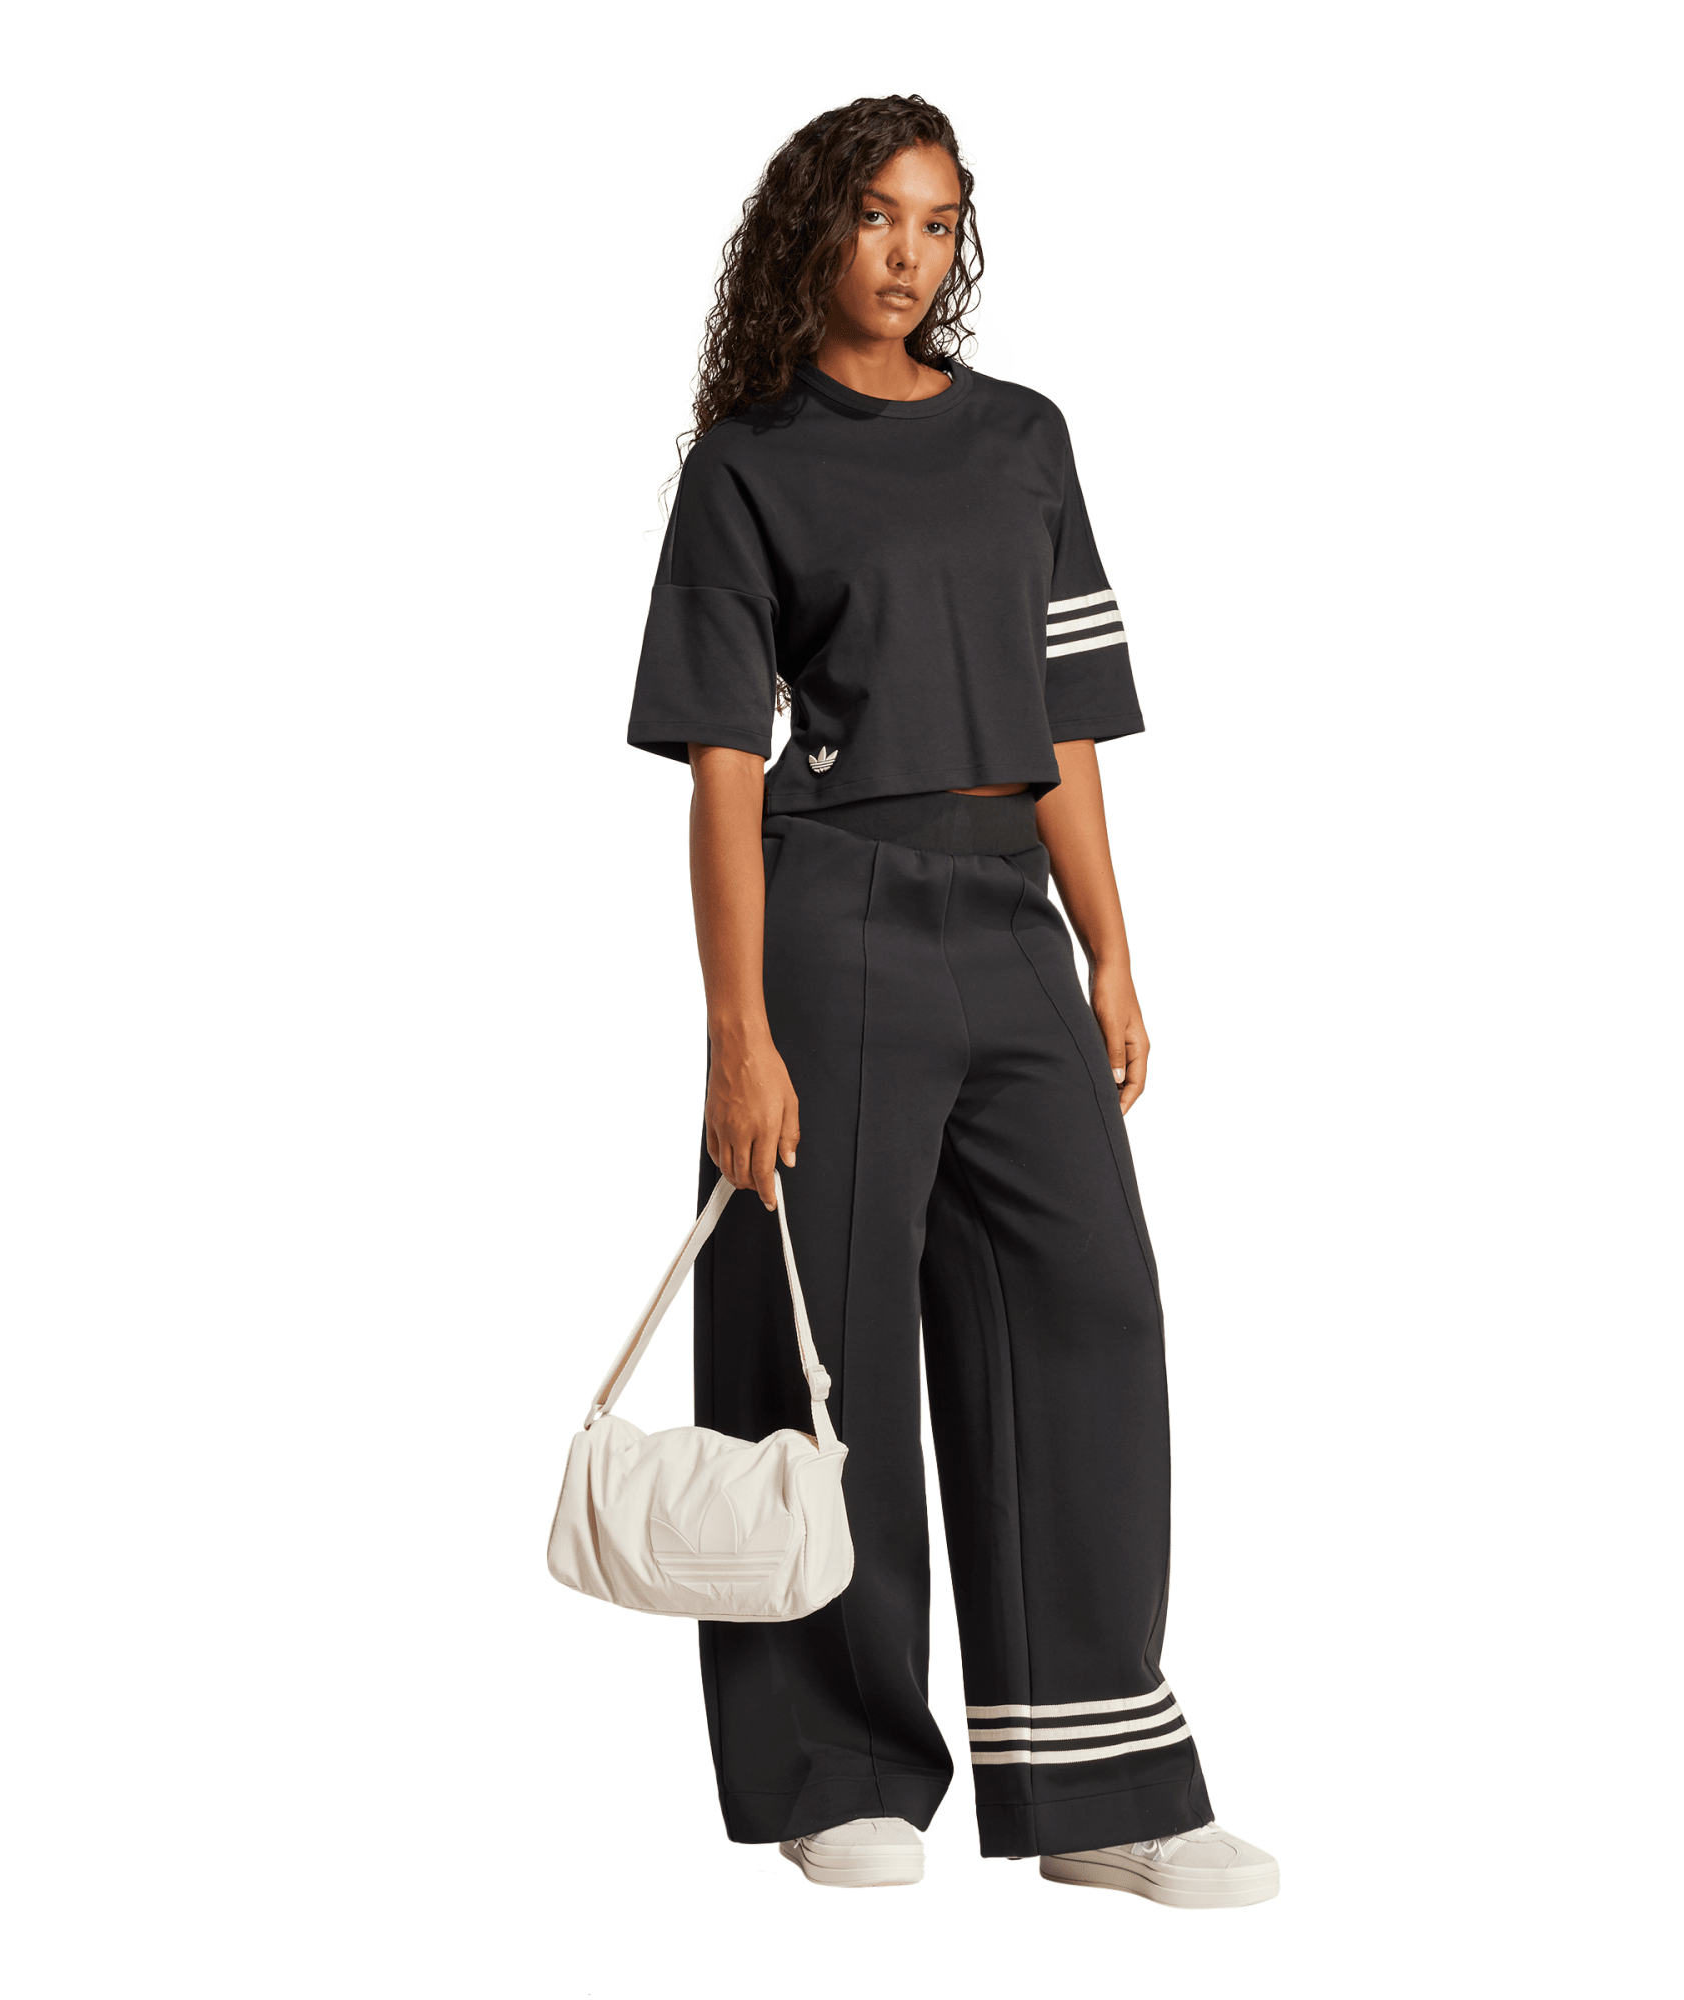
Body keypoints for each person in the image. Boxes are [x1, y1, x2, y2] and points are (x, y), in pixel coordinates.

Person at [624, 93, 1277, 1910]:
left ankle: (1100, 1787)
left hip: (1010, 921)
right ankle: (836, 1770)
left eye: (938, 223)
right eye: (878, 218)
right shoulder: (747, 464)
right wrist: (737, 1035)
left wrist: (1111, 946)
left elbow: (1065, 723)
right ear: (815, 231)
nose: (909, 255)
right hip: (831, 913)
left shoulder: (1021, 438)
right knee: (819, 1340)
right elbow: (722, 774)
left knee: (1087, 1316)